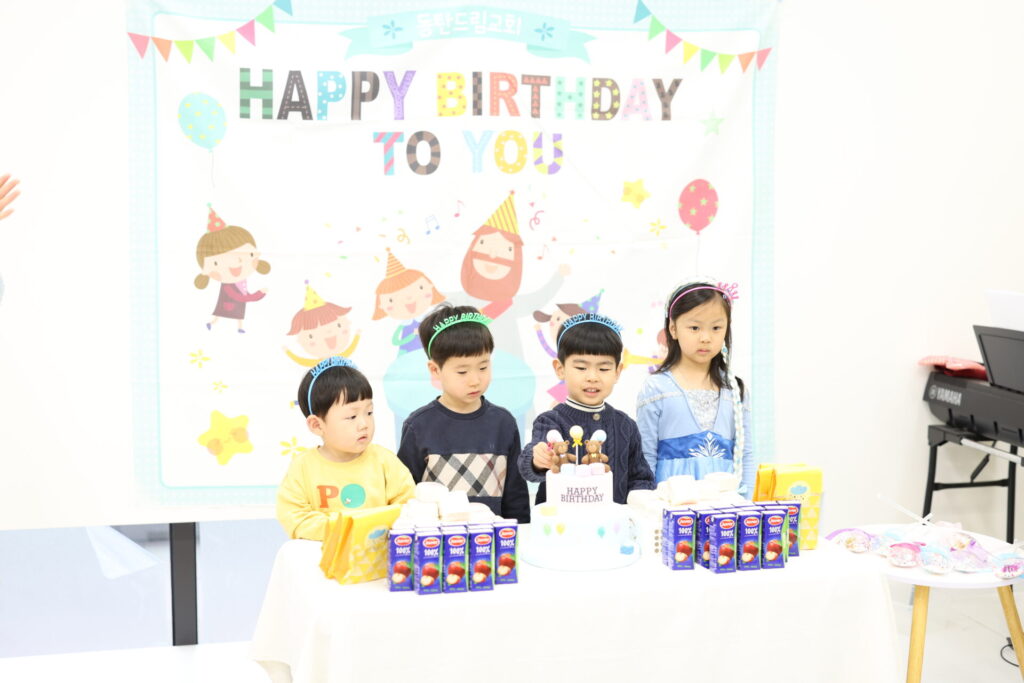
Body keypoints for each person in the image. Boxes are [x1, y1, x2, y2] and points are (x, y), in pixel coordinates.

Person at [396, 304, 530, 522]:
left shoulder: (503, 423)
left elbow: (516, 496)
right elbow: (405, 495)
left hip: (491, 539)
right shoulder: (419, 426)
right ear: (435, 370)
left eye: (483, 367)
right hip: (436, 539)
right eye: (462, 371)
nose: (475, 380)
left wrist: (519, 532)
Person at [518, 312, 655, 504]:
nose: (592, 377)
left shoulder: (626, 425)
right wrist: (538, 459)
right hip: (561, 521)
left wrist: (640, 503)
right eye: (581, 368)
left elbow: (641, 479)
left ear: (617, 372)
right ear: (560, 369)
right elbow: (528, 464)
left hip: (614, 521)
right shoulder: (549, 421)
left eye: (604, 368)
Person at [276, 357, 415, 541]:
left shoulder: (384, 461)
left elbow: (409, 506)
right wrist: (345, 530)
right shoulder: (303, 467)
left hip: (377, 553)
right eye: (352, 416)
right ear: (317, 425)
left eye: (369, 412)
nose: (364, 424)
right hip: (323, 554)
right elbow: (295, 518)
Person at [635, 282, 754, 496]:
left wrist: (747, 504)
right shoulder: (656, 389)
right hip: (672, 505)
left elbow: (746, 454)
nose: (705, 338)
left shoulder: (735, 390)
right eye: (695, 328)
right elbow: (646, 457)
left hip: (725, 506)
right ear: (673, 329)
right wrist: (649, 504)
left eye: (716, 328)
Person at [193, 205, 269, 333]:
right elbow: (240, 297)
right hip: (230, 305)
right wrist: (259, 294)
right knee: (222, 314)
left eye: (245, 256)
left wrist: (254, 295)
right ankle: (214, 323)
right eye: (217, 263)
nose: (235, 264)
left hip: (235, 305)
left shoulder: (241, 281)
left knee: (231, 314)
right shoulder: (228, 286)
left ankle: (237, 327)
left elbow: (244, 294)